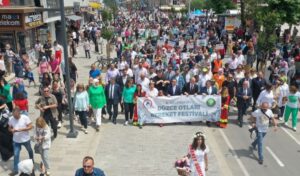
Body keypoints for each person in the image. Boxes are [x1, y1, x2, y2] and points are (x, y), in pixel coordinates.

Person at [8, 107, 34, 175]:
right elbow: (9, 127)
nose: (15, 117)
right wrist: (11, 130)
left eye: (16, 116)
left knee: (30, 151)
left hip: (25, 139)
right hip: (16, 140)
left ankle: (32, 165)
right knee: (16, 155)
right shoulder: (11, 119)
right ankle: (16, 170)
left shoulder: (25, 117)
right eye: (14, 116)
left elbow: (31, 126)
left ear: (19, 113)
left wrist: (21, 129)